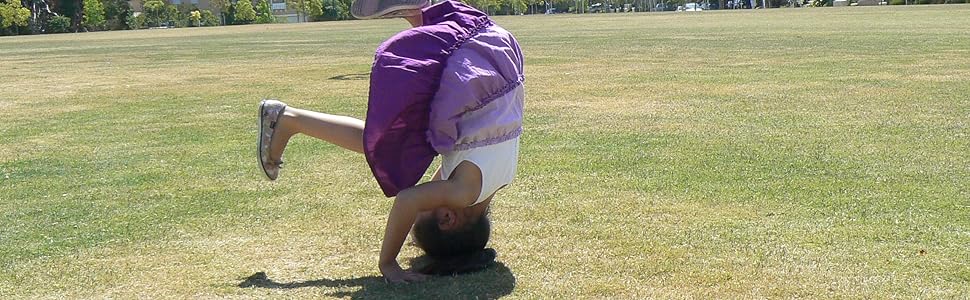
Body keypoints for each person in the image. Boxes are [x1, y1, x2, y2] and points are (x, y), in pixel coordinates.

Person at [256, 0, 524, 283]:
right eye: (422, 214)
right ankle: (287, 119)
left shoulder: (501, 177)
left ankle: (419, 13)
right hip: (466, 80)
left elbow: (418, 179)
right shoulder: (462, 192)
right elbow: (407, 200)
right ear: (448, 218)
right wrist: (388, 262)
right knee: (390, 148)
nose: (427, 196)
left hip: (493, 49)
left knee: (392, 149)